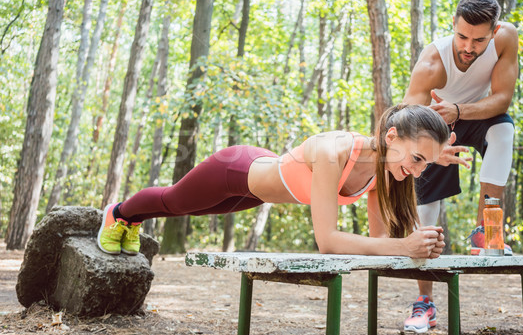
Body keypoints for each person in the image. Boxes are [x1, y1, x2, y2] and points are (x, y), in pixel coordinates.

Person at [97, 104, 463, 259]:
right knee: (174, 201)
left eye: (425, 165)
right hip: (237, 170)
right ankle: (118, 214)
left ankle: (131, 220)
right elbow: (328, 241)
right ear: (391, 136)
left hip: (258, 193)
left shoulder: (387, 173)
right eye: (417, 159)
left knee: (183, 211)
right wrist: (403, 247)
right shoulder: (333, 152)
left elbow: (378, 241)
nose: (418, 172)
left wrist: (415, 244)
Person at [401, 0, 519, 333]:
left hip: (476, 114)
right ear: (453, 25)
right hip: (433, 122)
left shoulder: (507, 38)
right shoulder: (431, 65)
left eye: (479, 40)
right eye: (462, 36)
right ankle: (424, 303)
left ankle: (488, 232)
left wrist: (460, 110)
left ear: (494, 32)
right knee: (426, 204)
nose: (469, 46)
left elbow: (502, 99)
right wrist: (433, 150)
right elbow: (408, 124)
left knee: (503, 132)